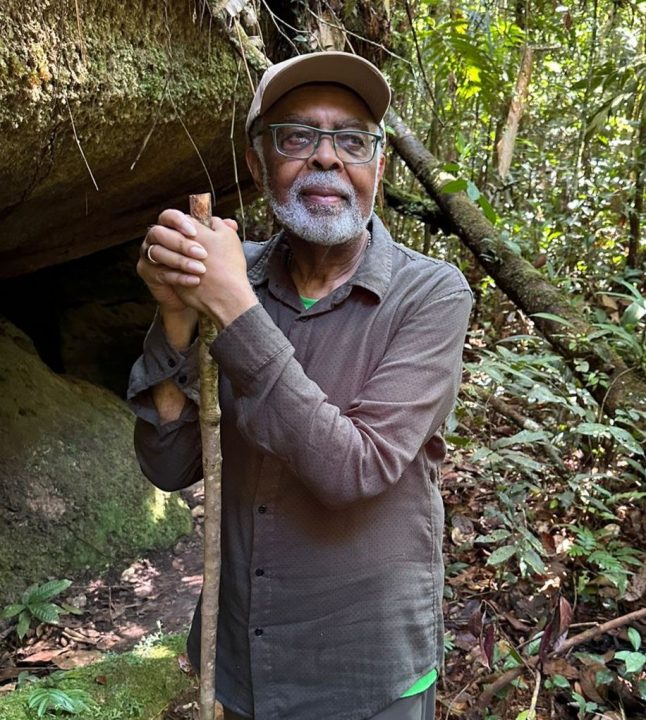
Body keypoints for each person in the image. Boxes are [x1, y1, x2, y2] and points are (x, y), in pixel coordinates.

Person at [128, 51, 472, 720]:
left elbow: (356, 469)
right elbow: (169, 465)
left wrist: (232, 310)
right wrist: (175, 318)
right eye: (296, 137)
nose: (325, 158)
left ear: (378, 165)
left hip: (366, 672)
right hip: (242, 656)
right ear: (259, 164)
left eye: (352, 139)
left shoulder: (430, 293)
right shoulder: (233, 276)